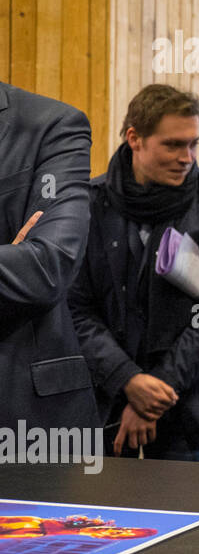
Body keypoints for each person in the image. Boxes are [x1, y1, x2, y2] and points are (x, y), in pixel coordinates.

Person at [68, 84, 199, 460]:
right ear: (135, 138)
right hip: (105, 405)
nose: (187, 157)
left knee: (196, 517)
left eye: (193, 144)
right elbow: (75, 309)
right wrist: (127, 379)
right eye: (173, 145)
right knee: (103, 518)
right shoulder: (89, 206)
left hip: (192, 406)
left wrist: (154, 392)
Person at [0, 83, 97, 431]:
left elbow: (47, 267)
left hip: (24, 418)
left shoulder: (52, 125)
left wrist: (27, 260)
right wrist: (12, 256)